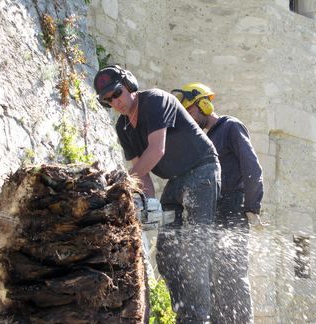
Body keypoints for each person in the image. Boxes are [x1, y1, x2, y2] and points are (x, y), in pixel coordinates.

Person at [94, 66, 221, 323]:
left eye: (117, 93)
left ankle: (200, 317)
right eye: (107, 99)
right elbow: (144, 176)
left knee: (195, 246)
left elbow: (156, 150)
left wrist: (121, 183)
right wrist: (148, 202)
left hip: (202, 169)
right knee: (166, 252)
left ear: (129, 85)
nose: (115, 101)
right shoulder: (124, 128)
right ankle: (184, 313)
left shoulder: (154, 101)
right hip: (175, 181)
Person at [172, 82, 264, 324]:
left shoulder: (230, 127)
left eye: (190, 112)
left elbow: (252, 166)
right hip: (209, 212)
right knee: (211, 280)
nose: (189, 119)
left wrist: (252, 206)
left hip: (232, 208)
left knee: (233, 278)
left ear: (204, 104)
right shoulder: (201, 141)